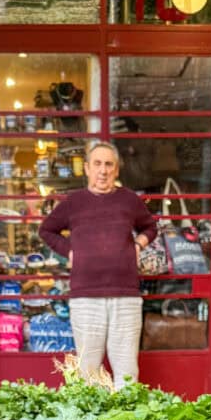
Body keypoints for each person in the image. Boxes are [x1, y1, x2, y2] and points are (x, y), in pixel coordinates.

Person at [39, 139, 157, 386]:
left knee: (126, 369)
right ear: (87, 168)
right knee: (88, 371)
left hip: (125, 296)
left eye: (109, 165)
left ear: (116, 170)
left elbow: (149, 227)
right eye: (98, 164)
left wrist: (138, 246)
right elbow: (47, 230)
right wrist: (70, 252)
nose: (103, 170)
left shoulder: (129, 200)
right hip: (85, 298)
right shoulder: (73, 202)